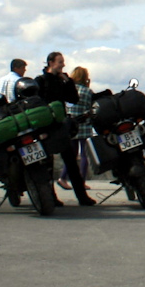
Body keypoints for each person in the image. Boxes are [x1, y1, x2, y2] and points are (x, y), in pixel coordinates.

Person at [34, 52, 93, 206]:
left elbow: (73, 99)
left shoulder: (62, 81)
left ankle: (82, 197)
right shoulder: (40, 81)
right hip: (45, 126)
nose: (63, 65)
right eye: (60, 62)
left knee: (71, 162)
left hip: (60, 125)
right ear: (51, 63)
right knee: (47, 164)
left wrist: (68, 82)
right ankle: (51, 197)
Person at [68, 65, 95, 197]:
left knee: (71, 155)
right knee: (84, 155)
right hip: (84, 126)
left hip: (72, 126)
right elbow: (92, 107)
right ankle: (82, 181)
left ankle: (65, 178)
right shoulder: (87, 91)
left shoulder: (70, 90)